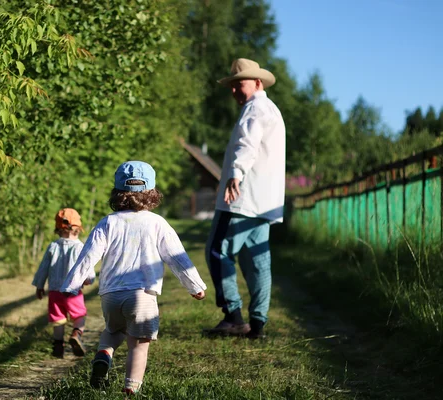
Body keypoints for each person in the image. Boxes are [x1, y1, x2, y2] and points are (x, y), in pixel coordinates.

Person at [60, 161, 207, 395]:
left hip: (110, 294)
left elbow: (88, 256)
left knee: (113, 330)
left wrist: (71, 283)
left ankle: (103, 354)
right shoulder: (157, 223)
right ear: (152, 193)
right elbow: (177, 257)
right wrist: (195, 285)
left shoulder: (107, 222)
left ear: (117, 192)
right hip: (143, 295)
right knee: (139, 344)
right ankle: (131, 390)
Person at [204, 58, 286, 339]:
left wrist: (235, 174)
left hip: (242, 197)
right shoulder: (272, 110)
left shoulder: (255, 108)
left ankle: (233, 316)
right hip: (265, 202)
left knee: (218, 251)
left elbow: (247, 144)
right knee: (257, 261)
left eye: (239, 84)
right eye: (232, 85)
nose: (235, 90)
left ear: (258, 83)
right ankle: (258, 324)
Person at [32, 208, 95, 358]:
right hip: (72, 291)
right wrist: (89, 279)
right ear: (78, 228)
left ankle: (58, 346)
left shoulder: (53, 246)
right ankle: (76, 334)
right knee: (79, 315)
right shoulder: (80, 247)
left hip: (54, 291)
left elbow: (43, 268)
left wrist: (40, 285)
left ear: (58, 228)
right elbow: (86, 267)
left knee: (58, 319)